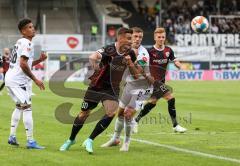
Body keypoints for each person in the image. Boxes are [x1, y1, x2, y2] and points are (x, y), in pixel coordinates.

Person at [59, 27, 141, 154]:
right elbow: (93, 56)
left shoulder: (131, 54)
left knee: (111, 112)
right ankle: (71, 139)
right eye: (129, 38)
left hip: (111, 88)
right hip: (96, 86)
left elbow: (136, 76)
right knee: (83, 114)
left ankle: (90, 140)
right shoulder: (109, 49)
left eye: (132, 39)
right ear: (120, 38)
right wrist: (95, 66)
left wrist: (130, 63)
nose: (131, 41)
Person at [101, 27, 152, 151]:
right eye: (135, 36)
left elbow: (137, 74)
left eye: (140, 37)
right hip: (130, 85)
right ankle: (115, 139)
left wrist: (128, 63)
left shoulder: (143, 54)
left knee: (127, 114)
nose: (138, 39)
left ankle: (126, 143)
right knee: (119, 113)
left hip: (142, 87)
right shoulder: (123, 49)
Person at [133, 27, 187, 133]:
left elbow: (175, 60)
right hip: (152, 81)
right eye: (159, 37)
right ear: (155, 37)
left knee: (153, 102)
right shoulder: (149, 51)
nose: (161, 39)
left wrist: (180, 66)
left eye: (163, 37)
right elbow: (140, 62)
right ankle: (175, 125)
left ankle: (135, 120)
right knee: (171, 98)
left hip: (161, 81)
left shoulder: (168, 50)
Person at [5, 18, 47, 149]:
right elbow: (23, 64)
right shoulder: (27, 43)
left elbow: (24, 63)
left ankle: (12, 136)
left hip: (10, 78)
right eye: (29, 27)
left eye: (33, 26)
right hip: (18, 81)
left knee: (19, 106)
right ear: (23, 31)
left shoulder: (20, 42)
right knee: (27, 107)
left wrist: (39, 60)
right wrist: (36, 79)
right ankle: (31, 141)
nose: (33, 28)